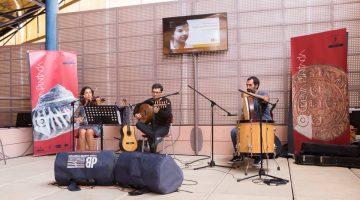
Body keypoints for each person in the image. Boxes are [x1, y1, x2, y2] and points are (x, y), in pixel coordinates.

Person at [228, 76, 272, 165]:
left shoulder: (262, 93)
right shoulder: (247, 98)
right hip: (251, 123)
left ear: (256, 85)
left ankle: (258, 157)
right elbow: (246, 113)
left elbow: (266, 99)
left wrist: (252, 95)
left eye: (250, 85)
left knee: (255, 131)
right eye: (246, 85)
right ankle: (239, 155)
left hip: (263, 123)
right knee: (234, 131)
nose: (247, 87)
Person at [133, 83, 173, 153]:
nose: (155, 94)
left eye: (157, 92)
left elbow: (168, 115)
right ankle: (156, 139)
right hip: (152, 126)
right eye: (153, 92)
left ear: (161, 93)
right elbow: (138, 105)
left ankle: (153, 152)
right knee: (138, 124)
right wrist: (136, 114)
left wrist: (159, 111)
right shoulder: (150, 101)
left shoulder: (166, 102)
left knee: (153, 134)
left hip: (163, 127)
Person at [74, 86, 103, 151]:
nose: (89, 94)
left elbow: (101, 115)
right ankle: (83, 154)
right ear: (83, 95)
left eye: (90, 92)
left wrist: (98, 104)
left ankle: (92, 154)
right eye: (86, 93)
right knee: (82, 131)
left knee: (89, 131)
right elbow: (73, 117)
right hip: (84, 126)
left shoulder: (96, 103)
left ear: (92, 94)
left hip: (94, 126)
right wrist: (77, 119)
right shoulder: (81, 106)